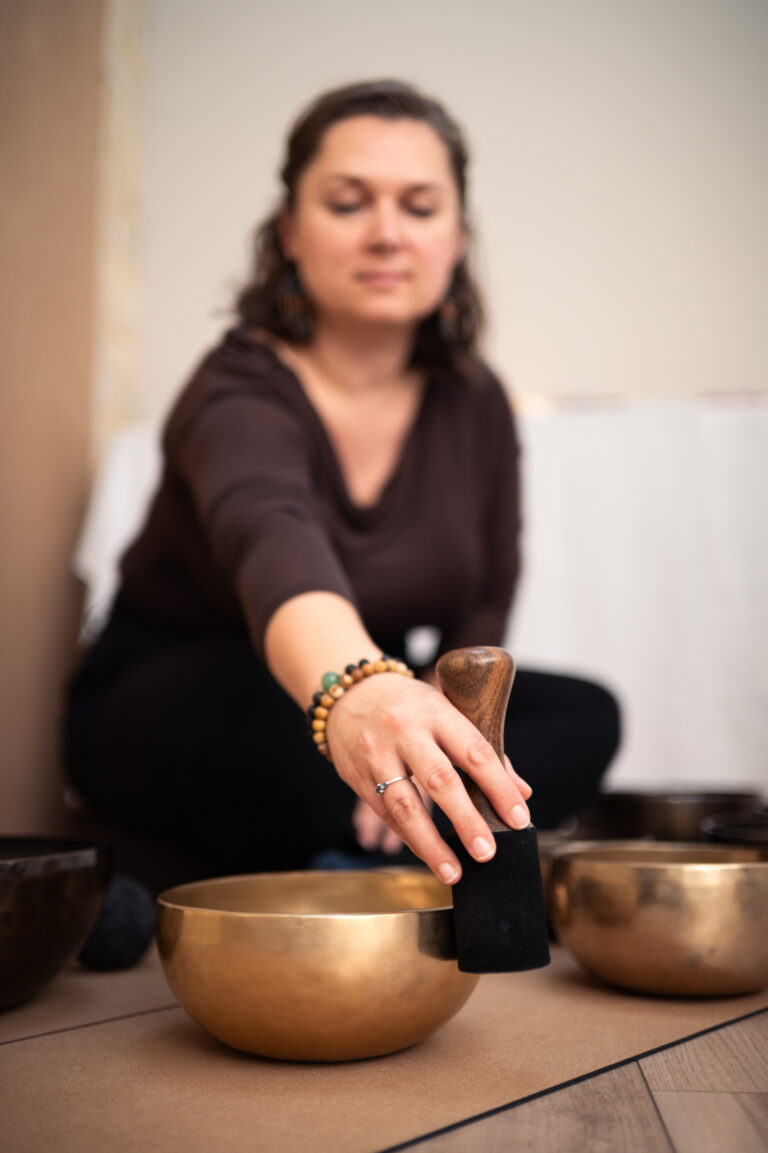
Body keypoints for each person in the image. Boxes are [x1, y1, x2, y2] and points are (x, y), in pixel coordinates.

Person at [63, 79, 620, 887]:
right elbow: (274, 547)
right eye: (349, 203)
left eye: (420, 207)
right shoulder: (237, 388)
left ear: (458, 238)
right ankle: (398, 849)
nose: (387, 234)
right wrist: (361, 701)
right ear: (291, 231)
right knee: (279, 737)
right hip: (190, 688)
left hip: (366, 680)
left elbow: (482, 600)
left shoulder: (475, 401)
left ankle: (349, 853)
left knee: (582, 714)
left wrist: (430, 722)